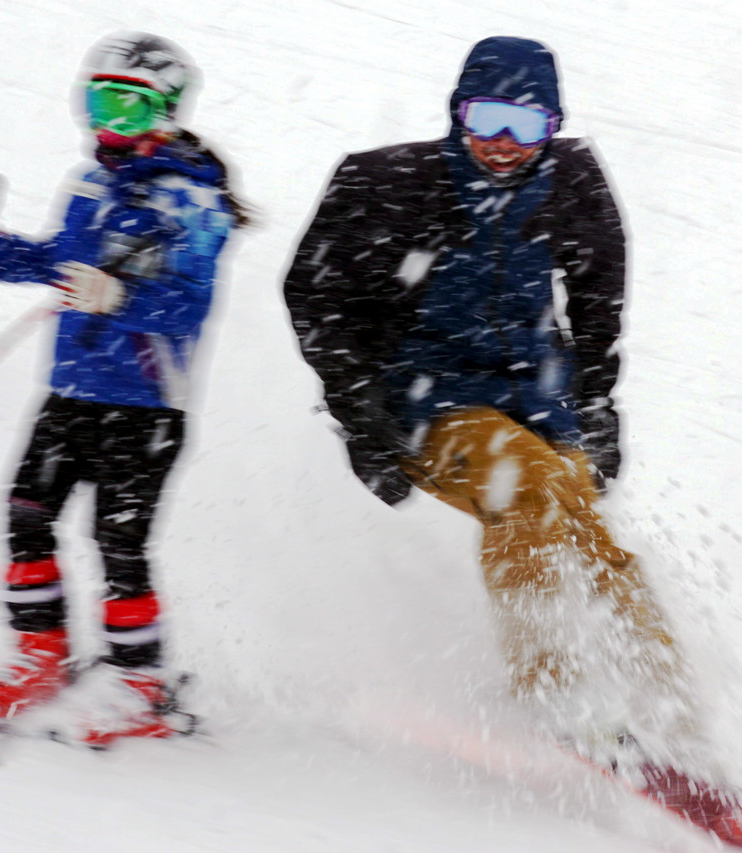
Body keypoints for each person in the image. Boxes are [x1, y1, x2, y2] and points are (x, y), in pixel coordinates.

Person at [283, 37, 683, 733]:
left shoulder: (572, 183)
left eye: (526, 126)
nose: (503, 142)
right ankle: (548, 688)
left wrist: (594, 406)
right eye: (486, 119)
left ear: (552, 129)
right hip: (424, 399)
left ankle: (667, 702)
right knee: (527, 489)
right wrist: (362, 417)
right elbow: (314, 296)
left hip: (538, 395)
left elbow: (598, 304)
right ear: (457, 114)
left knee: (587, 525)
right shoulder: (389, 184)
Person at [0, 31, 242, 746]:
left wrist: (120, 293)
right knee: (26, 512)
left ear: (165, 112)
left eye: (129, 108)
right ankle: (40, 656)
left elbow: (189, 302)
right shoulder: (90, 185)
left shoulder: (194, 199)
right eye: (99, 101)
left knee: (118, 539)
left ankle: (140, 685)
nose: (109, 122)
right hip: (72, 391)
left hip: (147, 404)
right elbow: (49, 263)